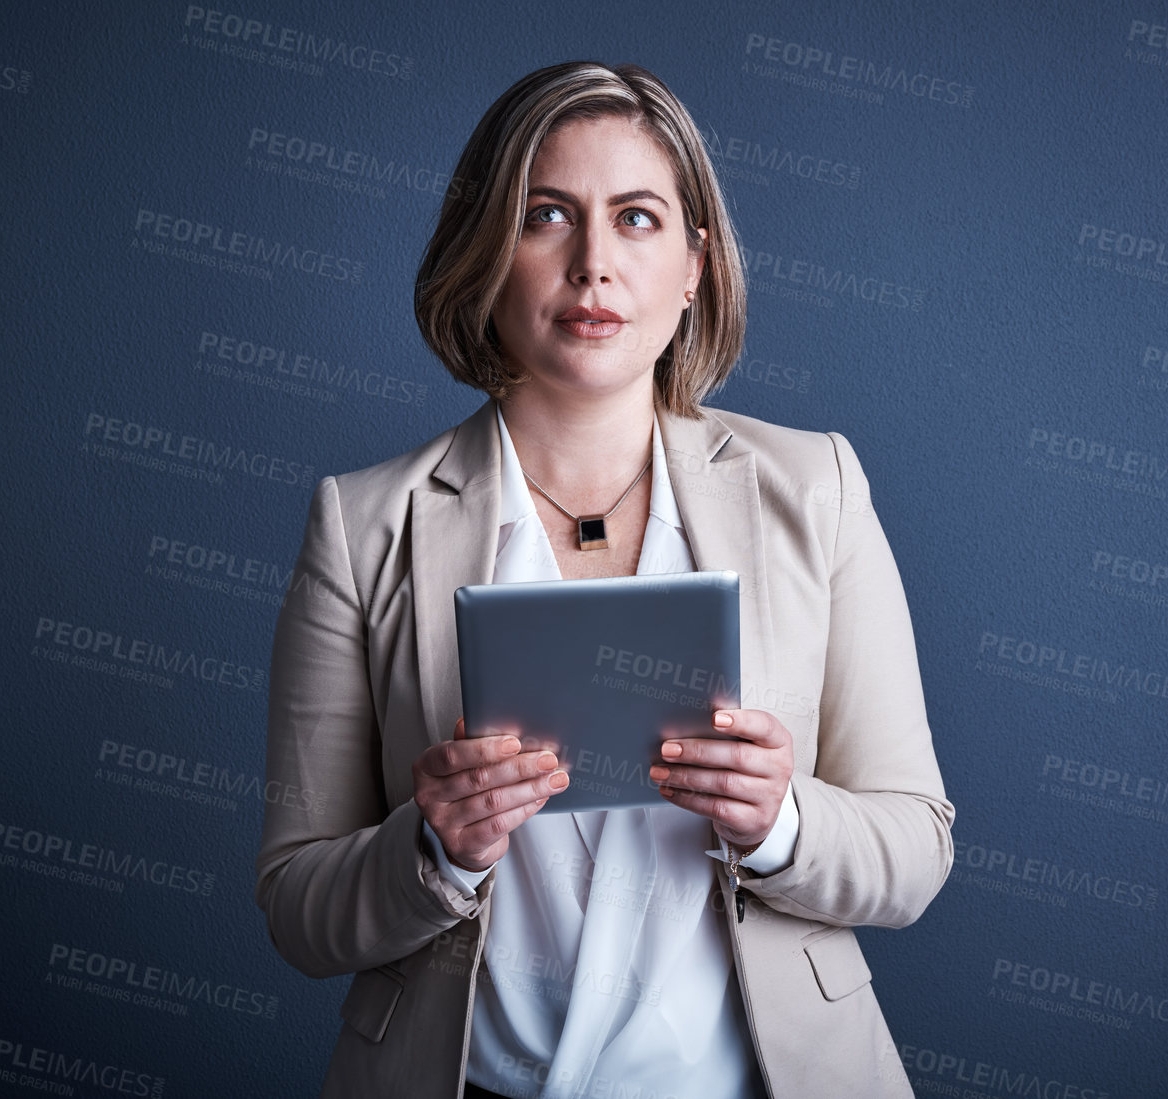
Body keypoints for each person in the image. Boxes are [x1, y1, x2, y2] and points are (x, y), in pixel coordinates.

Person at [254, 60, 954, 1099]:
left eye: (635, 218)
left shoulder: (816, 490)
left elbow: (912, 848)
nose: (592, 266)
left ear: (692, 266)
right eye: (545, 216)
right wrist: (433, 849)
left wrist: (782, 822)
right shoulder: (363, 525)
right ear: (485, 255)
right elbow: (297, 905)